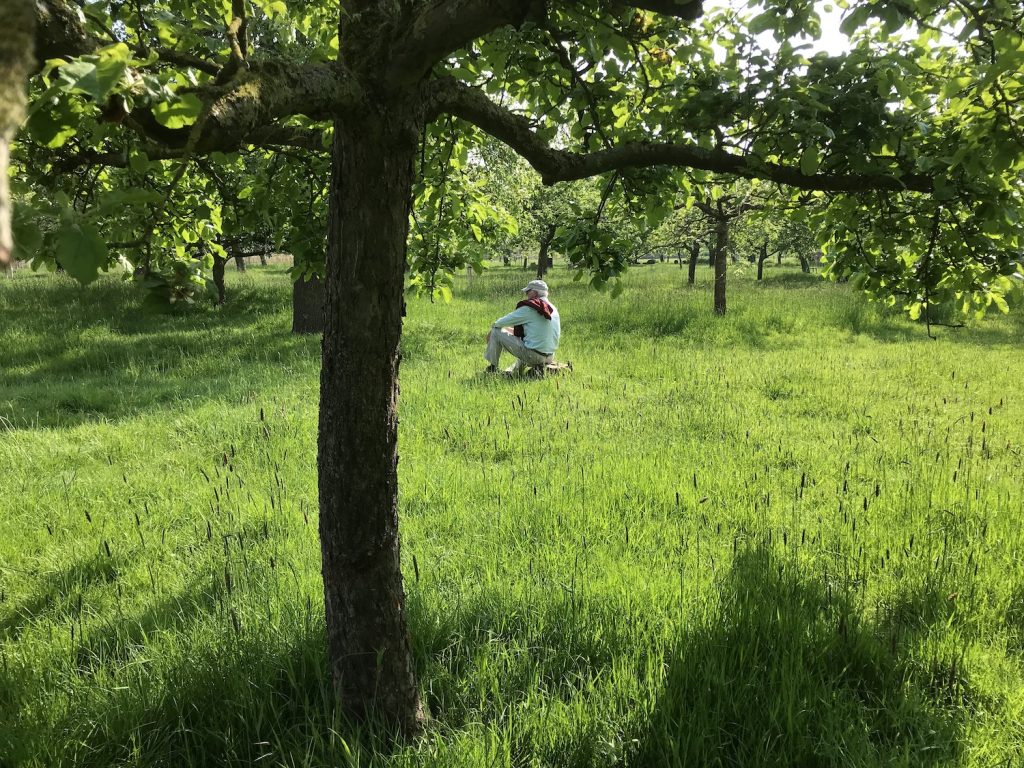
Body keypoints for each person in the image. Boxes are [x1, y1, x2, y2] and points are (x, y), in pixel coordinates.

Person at [485, 279, 561, 374]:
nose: (526, 294)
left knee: (496, 331)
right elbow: (534, 332)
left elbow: (499, 323)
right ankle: (513, 373)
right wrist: (507, 330)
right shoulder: (553, 308)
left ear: (534, 293)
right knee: (529, 345)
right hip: (549, 356)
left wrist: (492, 333)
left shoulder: (530, 308)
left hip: (534, 356)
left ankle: (492, 369)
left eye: (528, 291)